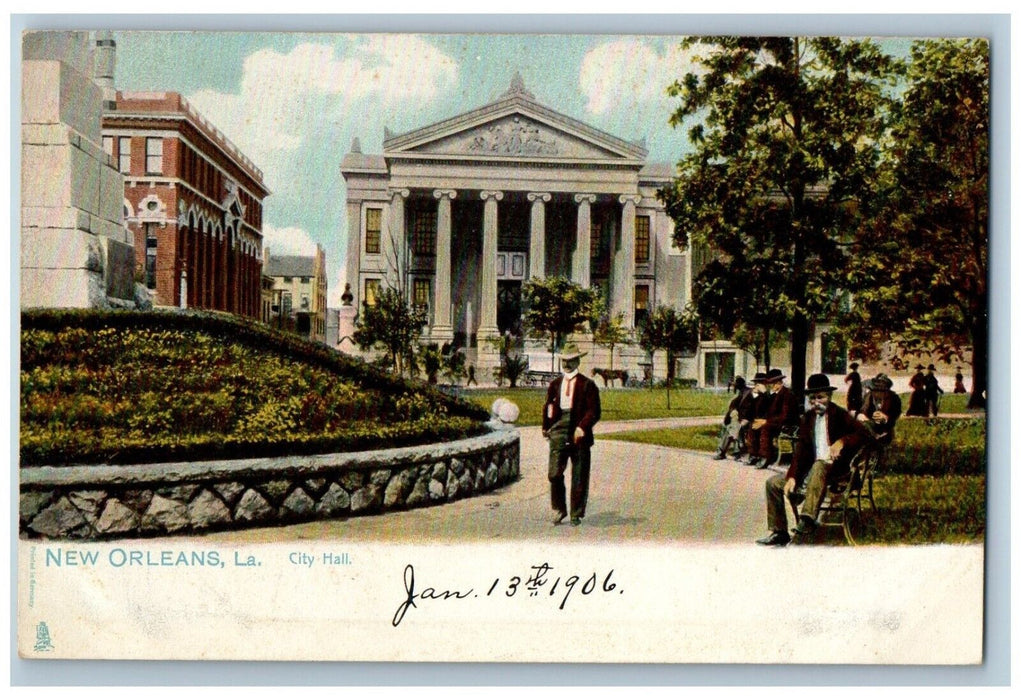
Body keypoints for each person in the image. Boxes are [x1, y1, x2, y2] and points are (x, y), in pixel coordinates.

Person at [756, 373, 869, 546]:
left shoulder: (839, 414)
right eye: (813, 398)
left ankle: (807, 520)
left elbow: (863, 434)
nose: (817, 402)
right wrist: (793, 476)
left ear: (829, 396)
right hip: (811, 471)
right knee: (773, 483)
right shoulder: (807, 419)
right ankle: (779, 531)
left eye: (821, 397)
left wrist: (842, 441)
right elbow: (800, 452)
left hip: (836, 471)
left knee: (819, 465)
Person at [541, 342, 601, 527]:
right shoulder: (555, 384)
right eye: (564, 361)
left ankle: (576, 513)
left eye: (571, 360)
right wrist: (546, 426)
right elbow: (549, 406)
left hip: (578, 430)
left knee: (579, 473)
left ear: (577, 361)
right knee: (554, 473)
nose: (566, 364)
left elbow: (594, 411)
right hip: (559, 429)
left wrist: (582, 427)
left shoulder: (587, 385)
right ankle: (560, 508)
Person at [750, 368, 799, 468]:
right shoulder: (773, 395)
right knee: (754, 425)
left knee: (765, 428)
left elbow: (785, 416)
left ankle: (766, 457)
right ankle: (754, 454)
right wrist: (763, 395)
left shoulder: (787, 394)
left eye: (771, 384)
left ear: (778, 383)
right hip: (776, 422)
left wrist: (766, 421)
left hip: (788, 424)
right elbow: (762, 409)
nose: (769, 386)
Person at [856, 373, 902, 447]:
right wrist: (861, 415)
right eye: (875, 389)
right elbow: (862, 410)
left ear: (886, 390)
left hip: (885, 432)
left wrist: (886, 418)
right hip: (869, 429)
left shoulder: (894, 398)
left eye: (881, 390)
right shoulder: (868, 396)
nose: (877, 393)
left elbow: (896, 415)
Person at [714, 376, 753, 460]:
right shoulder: (741, 393)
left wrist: (743, 418)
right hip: (741, 419)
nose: (733, 386)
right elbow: (733, 405)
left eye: (735, 384)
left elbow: (750, 409)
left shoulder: (748, 393)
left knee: (732, 428)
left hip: (749, 419)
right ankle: (737, 451)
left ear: (739, 385)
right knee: (732, 427)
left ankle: (723, 452)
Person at [742, 372, 771, 465]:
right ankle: (753, 455)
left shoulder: (768, 394)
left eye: (759, 383)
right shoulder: (754, 395)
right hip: (756, 419)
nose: (757, 386)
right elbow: (749, 409)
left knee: (761, 429)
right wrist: (754, 396)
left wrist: (764, 393)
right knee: (752, 427)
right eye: (756, 383)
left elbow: (771, 407)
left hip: (768, 419)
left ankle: (763, 456)